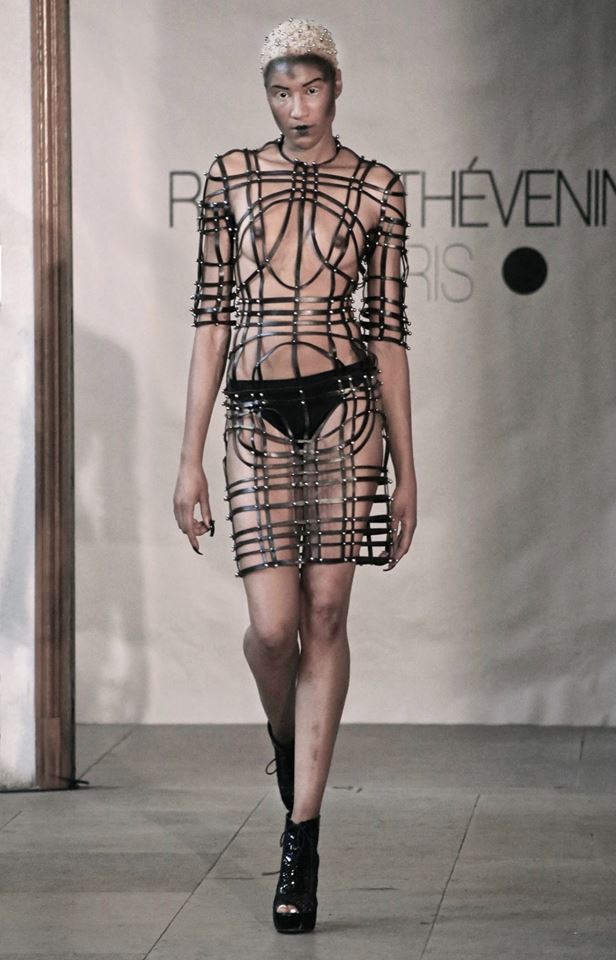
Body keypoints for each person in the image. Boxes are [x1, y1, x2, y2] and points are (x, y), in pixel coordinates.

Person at [173, 16, 417, 934]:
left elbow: (388, 334)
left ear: (336, 87)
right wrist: (187, 457)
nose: (297, 107)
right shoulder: (230, 179)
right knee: (273, 631)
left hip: (348, 411)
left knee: (326, 616)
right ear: (266, 95)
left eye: (311, 89)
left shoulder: (378, 189)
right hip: (254, 413)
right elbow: (211, 321)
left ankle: (300, 839)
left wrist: (409, 469)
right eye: (281, 92)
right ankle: (288, 738)